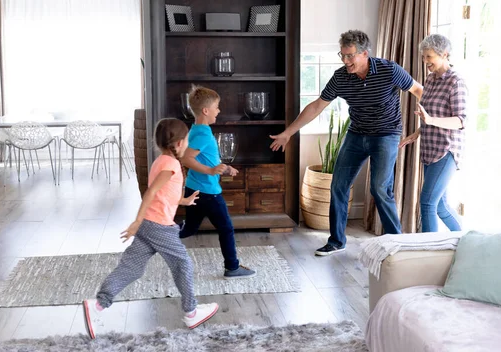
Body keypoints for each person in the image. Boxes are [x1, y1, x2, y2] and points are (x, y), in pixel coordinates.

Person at [270, 30, 423, 255]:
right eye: (342, 55)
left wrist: (428, 122)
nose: (345, 61)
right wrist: (288, 133)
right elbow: (316, 106)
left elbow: (418, 90)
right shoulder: (341, 77)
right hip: (357, 134)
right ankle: (337, 241)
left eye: (350, 56)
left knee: (379, 188)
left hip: (386, 134)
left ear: (364, 54)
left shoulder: (389, 70)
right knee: (338, 185)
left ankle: (396, 244)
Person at [82, 118, 218, 339]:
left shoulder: (160, 161)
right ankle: (191, 311)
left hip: (149, 224)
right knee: (182, 263)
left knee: (132, 268)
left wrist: (183, 201)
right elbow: (151, 193)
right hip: (158, 227)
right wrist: (136, 221)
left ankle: (98, 304)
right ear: (181, 142)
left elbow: (164, 194)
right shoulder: (171, 165)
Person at [179, 85, 256, 279]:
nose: (218, 111)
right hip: (208, 192)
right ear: (206, 111)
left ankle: (158, 236)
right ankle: (232, 267)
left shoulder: (197, 129)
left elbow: (205, 157)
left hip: (194, 188)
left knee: (189, 228)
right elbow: (186, 159)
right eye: (217, 107)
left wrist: (224, 167)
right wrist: (211, 171)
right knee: (226, 228)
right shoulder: (203, 134)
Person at [399, 33, 467, 232]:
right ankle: (465, 241)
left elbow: (461, 120)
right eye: (423, 56)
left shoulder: (456, 82)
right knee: (440, 206)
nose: (425, 61)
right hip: (429, 150)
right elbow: (432, 114)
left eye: (429, 56)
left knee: (427, 203)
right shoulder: (430, 80)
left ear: (444, 54)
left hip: (447, 150)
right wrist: (417, 132)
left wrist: (430, 121)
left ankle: (429, 250)